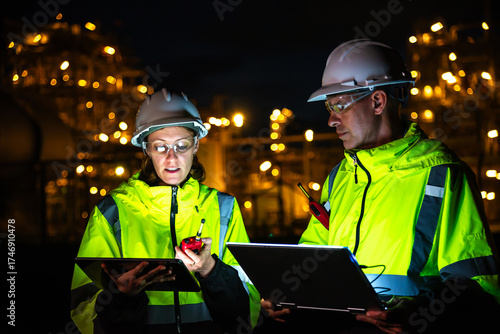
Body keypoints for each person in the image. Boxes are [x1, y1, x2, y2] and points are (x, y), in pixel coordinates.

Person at [262, 39, 500, 333]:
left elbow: (479, 285)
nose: (331, 119)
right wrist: (288, 290)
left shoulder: (442, 175)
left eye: (339, 105)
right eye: (328, 106)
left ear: (377, 101)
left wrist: (422, 311)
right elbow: (314, 254)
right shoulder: (341, 176)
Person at [71, 89, 261, 334]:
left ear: (196, 146)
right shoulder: (112, 212)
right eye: (161, 148)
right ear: (146, 150)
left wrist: (210, 269)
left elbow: (249, 308)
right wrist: (121, 296)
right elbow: (83, 312)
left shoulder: (223, 207)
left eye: (181, 145)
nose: (172, 158)